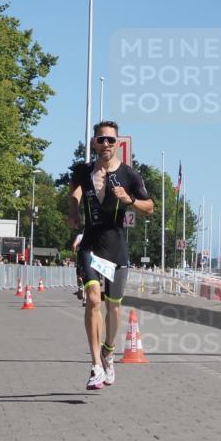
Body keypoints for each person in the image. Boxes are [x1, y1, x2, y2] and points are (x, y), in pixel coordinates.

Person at [68, 121, 153, 389]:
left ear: (118, 144)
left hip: (116, 249)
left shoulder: (130, 175)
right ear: (94, 142)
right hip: (91, 247)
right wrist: (73, 210)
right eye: (101, 139)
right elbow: (74, 192)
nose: (106, 144)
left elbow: (149, 207)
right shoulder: (83, 171)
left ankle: (108, 351)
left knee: (113, 307)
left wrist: (128, 199)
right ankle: (95, 366)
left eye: (111, 140)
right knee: (94, 300)